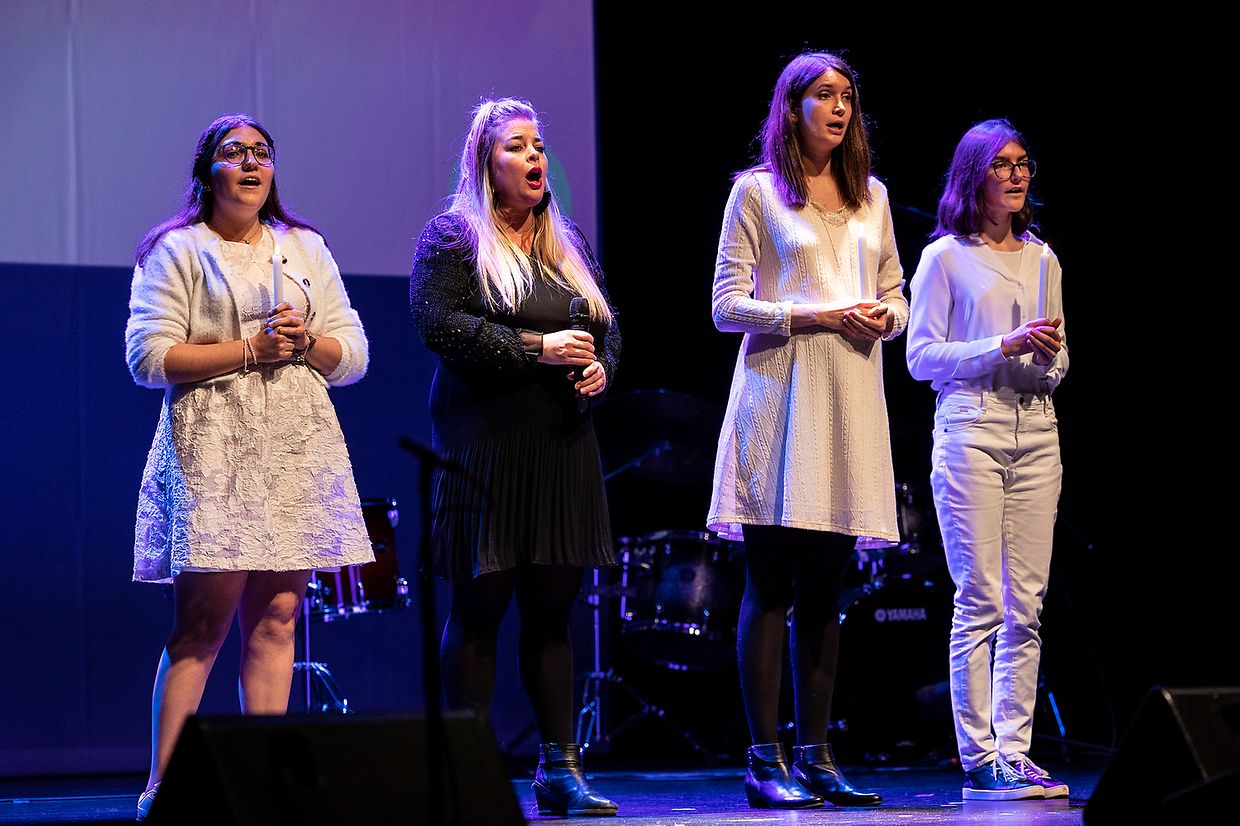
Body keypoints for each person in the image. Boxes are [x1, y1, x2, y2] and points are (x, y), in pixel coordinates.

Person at [126, 114, 372, 819]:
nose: (251, 164)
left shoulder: (304, 247)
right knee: (203, 622)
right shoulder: (177, 250)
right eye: (235, 154)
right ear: (208, 172)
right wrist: (249, 349)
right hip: (213, 446)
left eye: (262, 153)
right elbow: (149, 359)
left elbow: (352, 355)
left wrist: (306, 341)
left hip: (295, 444)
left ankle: (262, 786)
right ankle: (165, 790)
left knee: (280, 616)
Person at [409, 98, 619, 818]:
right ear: (485, 163)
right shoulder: (453, 239)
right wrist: (537, 349)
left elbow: (606, 329)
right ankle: (465, 766)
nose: (534, 158)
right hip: (485, 449)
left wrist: (601, 371)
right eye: (517, 147)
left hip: (563, 448)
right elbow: (438, 326)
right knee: (479, 608)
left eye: (539, 145)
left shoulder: (567, 243)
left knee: (552, 616)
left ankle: (558, 770)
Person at [707, 52, 903, 810]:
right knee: (772, 581)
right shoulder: (757, 194)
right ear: (791, 109)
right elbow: (725, 305)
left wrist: (885, 315)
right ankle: (764, 759)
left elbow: (897, 295)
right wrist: (815, 312)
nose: (839, 107)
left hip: (851, 403)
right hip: (778, 400)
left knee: (827, 587)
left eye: (848, 96)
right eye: (824, 95)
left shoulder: (872, 197)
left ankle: (818, 756)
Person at [906, 119, 1068, 801]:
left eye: (1023, 162)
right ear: (975, 174)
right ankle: (978, 756)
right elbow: (920, 357)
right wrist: (1002, 346)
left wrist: (1045, 360)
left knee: (1025, 605)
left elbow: (1062, 359)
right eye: (1001, 164)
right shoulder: (945, 257)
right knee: (981, 598)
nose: (1016, 174)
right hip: (970, 425)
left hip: (1036, 428)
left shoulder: (1043, 258)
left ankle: (1015, 749)